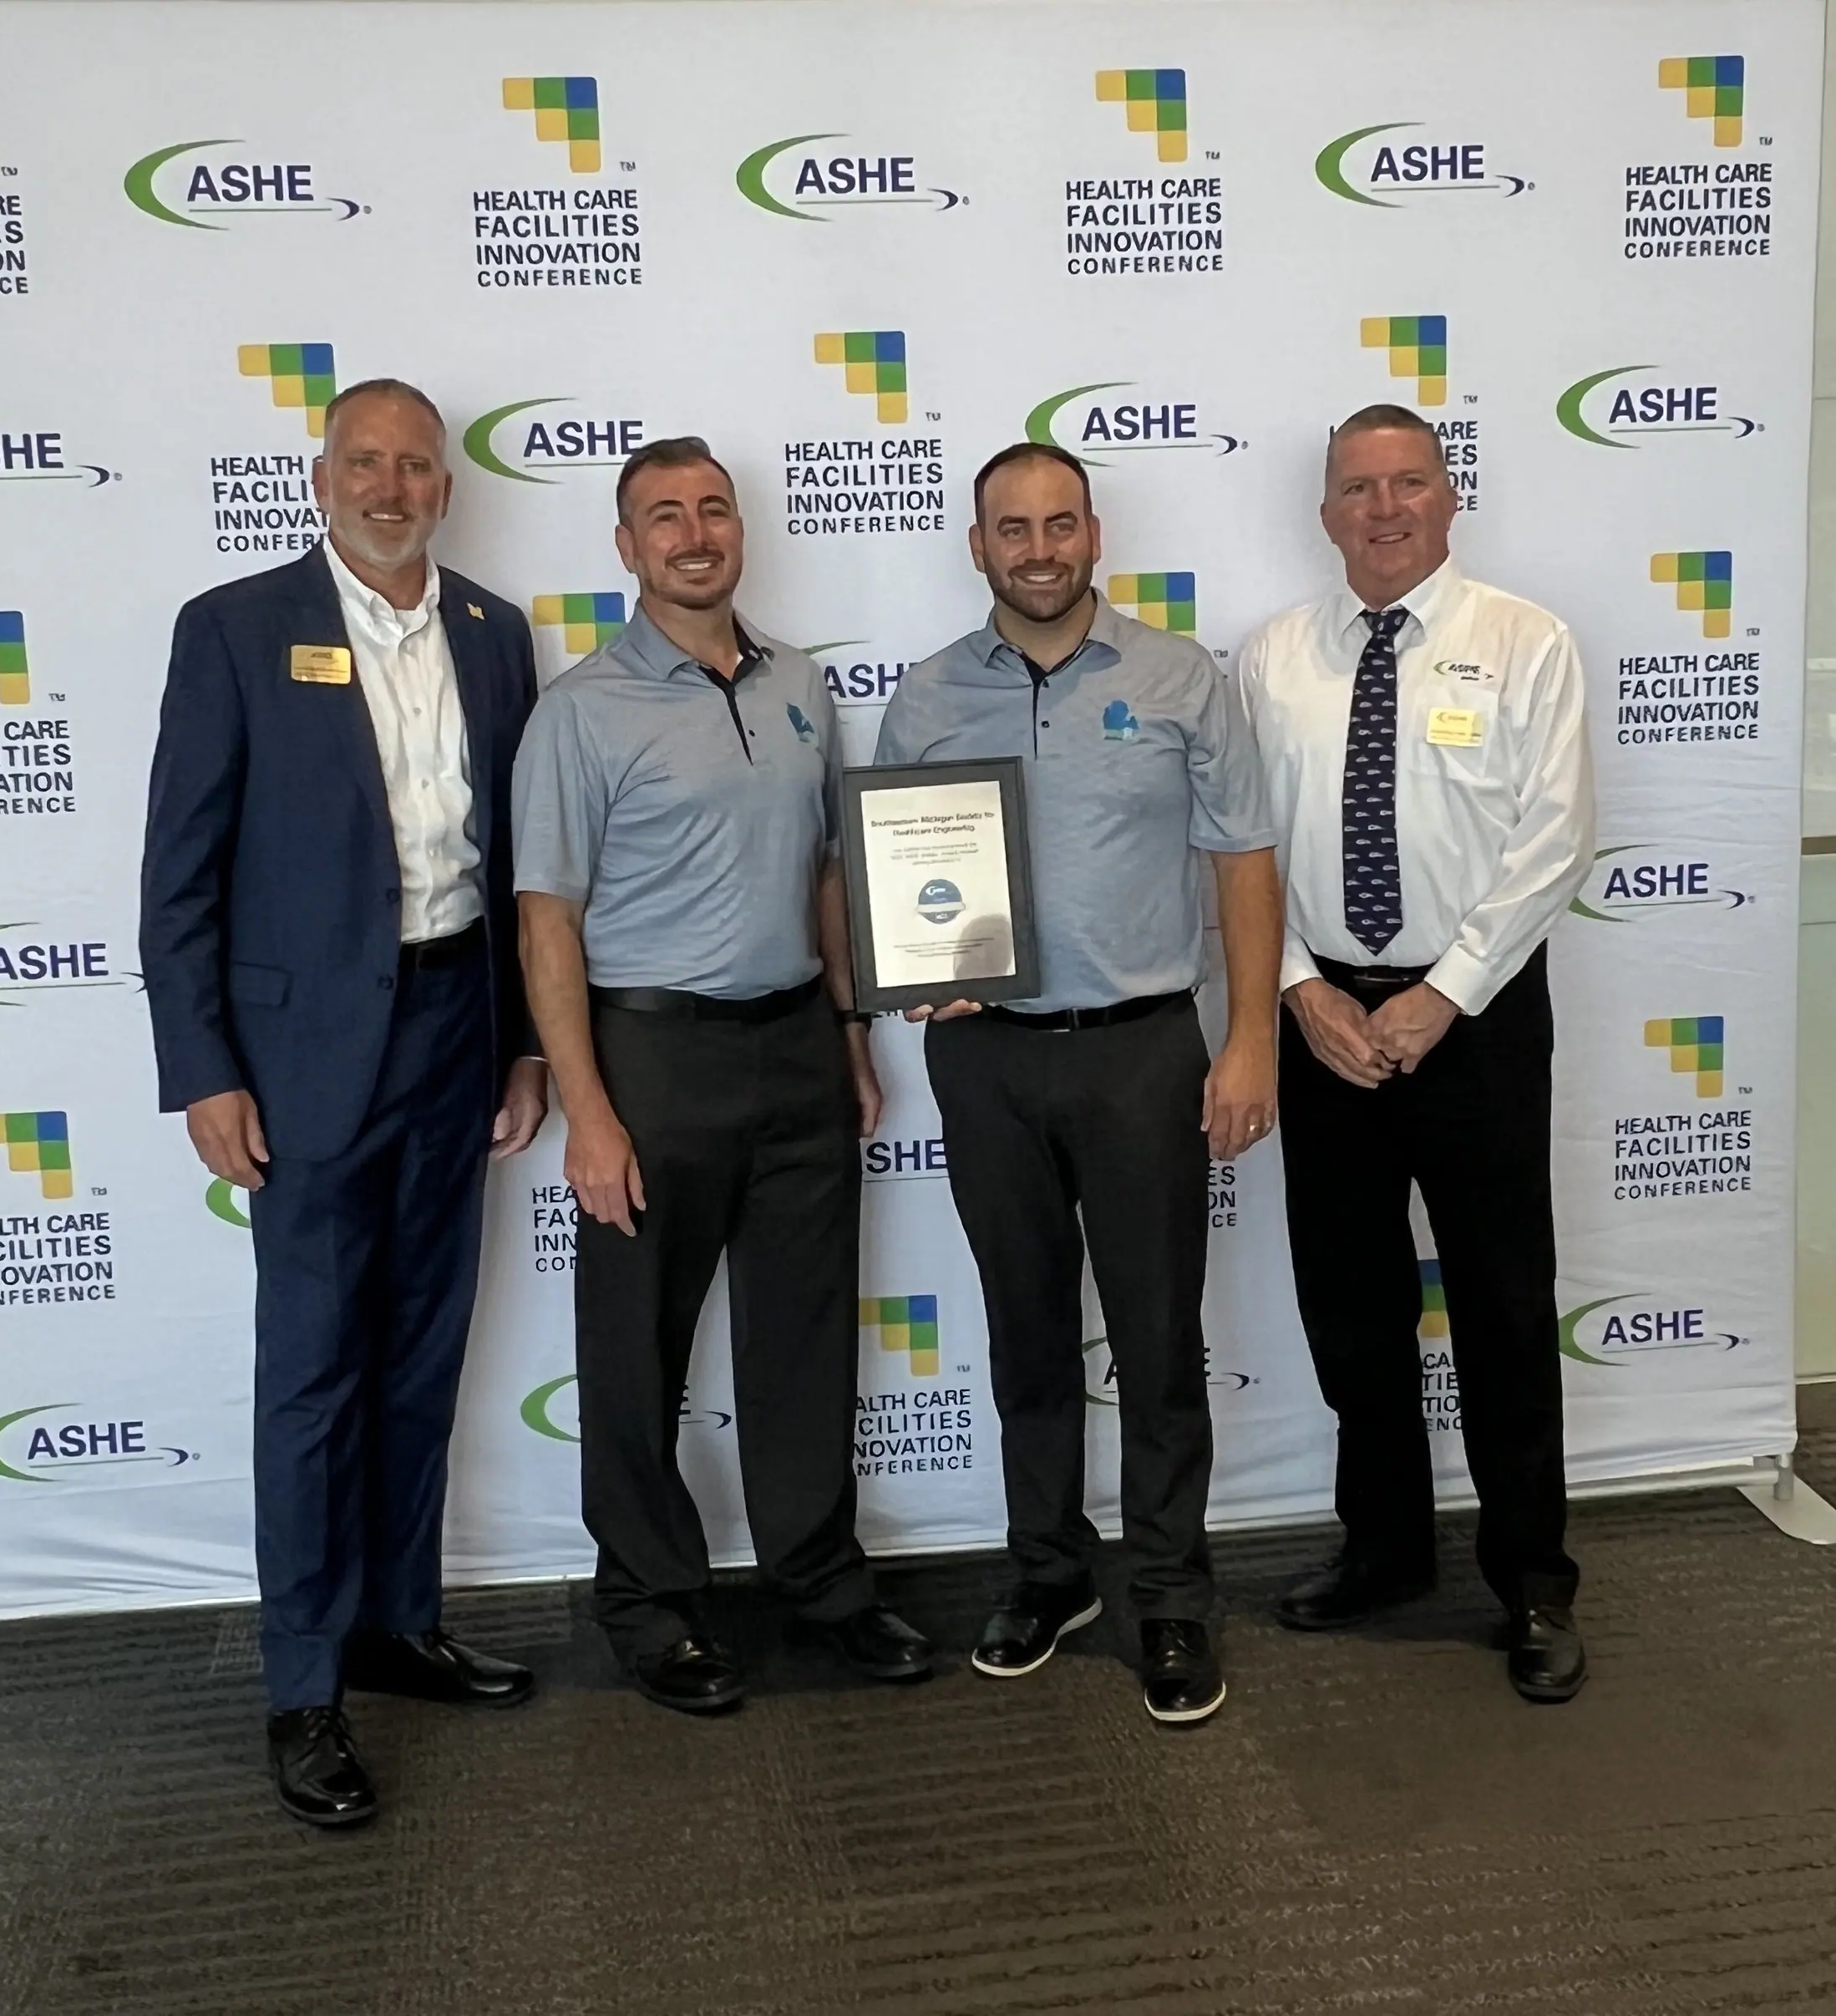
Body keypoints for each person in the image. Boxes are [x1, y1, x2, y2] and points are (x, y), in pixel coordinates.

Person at [140, 378, 547, 1827]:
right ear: (321, 479)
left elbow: (516, 864)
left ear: (447, 487)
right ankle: (303, 1685)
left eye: (416, 466)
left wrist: (522, 1047)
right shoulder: (234, 629)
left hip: (456, 1030)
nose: (391, 488)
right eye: (365, 463)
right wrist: (204, 1067)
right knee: (314, 1373)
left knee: (422, 1348)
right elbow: (179, 876)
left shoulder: (495, 633)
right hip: (305, 1059)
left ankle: (396, 1623)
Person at [511, 436, 932, 1714]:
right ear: (626, 547)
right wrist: (589, 1111)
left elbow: (826, 872)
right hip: (652, 1057)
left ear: (740, 530)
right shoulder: (581, 710)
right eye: (665, 517)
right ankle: (649, 1603)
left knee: (804, 1334)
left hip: (798, 1042)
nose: (694, 535)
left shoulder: (800, 682)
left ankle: (821, 1582)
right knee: (635, 1347)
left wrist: (851, 1034)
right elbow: (546, 921)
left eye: (713, 510)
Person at [874, 442, 1281, 1726]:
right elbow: (892, 870)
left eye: (1060, 524)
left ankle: (1171, 1594)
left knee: (1159, 1339)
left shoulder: (1178, 677)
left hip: (1142, 1049)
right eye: (1013, 528)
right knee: (1027, 1330)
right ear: (978, 546)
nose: (1039, 550)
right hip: (986, 1057)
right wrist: (916, 968)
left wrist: (1251, 1040)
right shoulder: (928, 695)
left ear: (1095, 536)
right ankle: (1050, 1573)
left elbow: (1244, 857)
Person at [1237, 404, 1595, 1703]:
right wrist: (1297, 986)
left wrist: (1444, 995)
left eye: (1407, 484)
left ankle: (1533, 1581)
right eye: (1357, 488)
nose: (1383, 509)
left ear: (1450, 497)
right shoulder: (1271, 658)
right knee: (1352, 1306)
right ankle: (1384, 1549)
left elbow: (1555, 839)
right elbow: (1240, 846)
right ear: (1325, 513)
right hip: (1325, 1023)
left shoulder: (1528, 642)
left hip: (1477, 1017)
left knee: (1503, 1303)